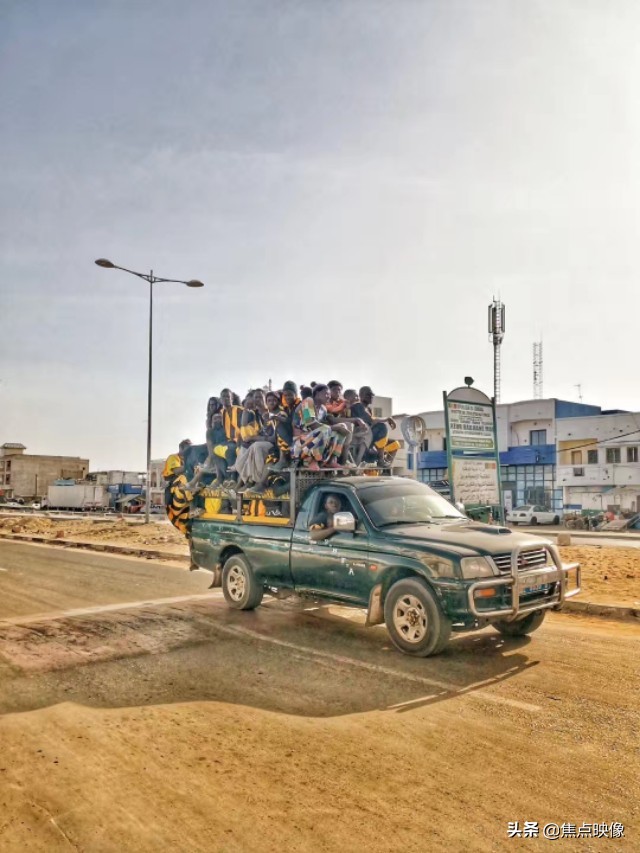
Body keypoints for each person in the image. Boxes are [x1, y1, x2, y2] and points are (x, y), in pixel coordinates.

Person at [292, 384, 348, 470]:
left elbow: (325, 428)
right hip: (300, 443)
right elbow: (311, 424)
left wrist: (340, 427)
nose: (329, 397)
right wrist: (335, 427)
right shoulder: (308, 402)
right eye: (326, 394)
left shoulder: (323, 409)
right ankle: (312, 461)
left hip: (314, 439)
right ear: (317, 393)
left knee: (341, 428)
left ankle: (331, 461)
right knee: (326, 429)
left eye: (329, 394)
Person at [349, 386, 400, 467]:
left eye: (372, 394)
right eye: (368, 394)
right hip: (359, 438)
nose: (371, 396)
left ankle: (383, 468)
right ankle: (380, 459)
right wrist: (387, 419)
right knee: (381, 427)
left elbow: (372, 422)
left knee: (395, 444)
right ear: (361, 395)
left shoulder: (368, 409)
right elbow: (371, 421)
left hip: (370, 438)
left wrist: (387, 419)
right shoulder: (357, 406)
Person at [162, 439, 193, 535]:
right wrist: (190, 465)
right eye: (188, 449)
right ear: (181, 448)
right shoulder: (173, 457)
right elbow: (177, 471)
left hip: (182, 486)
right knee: (184, 478)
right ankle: (193, 505)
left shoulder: (187, 459)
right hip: (173, 486)